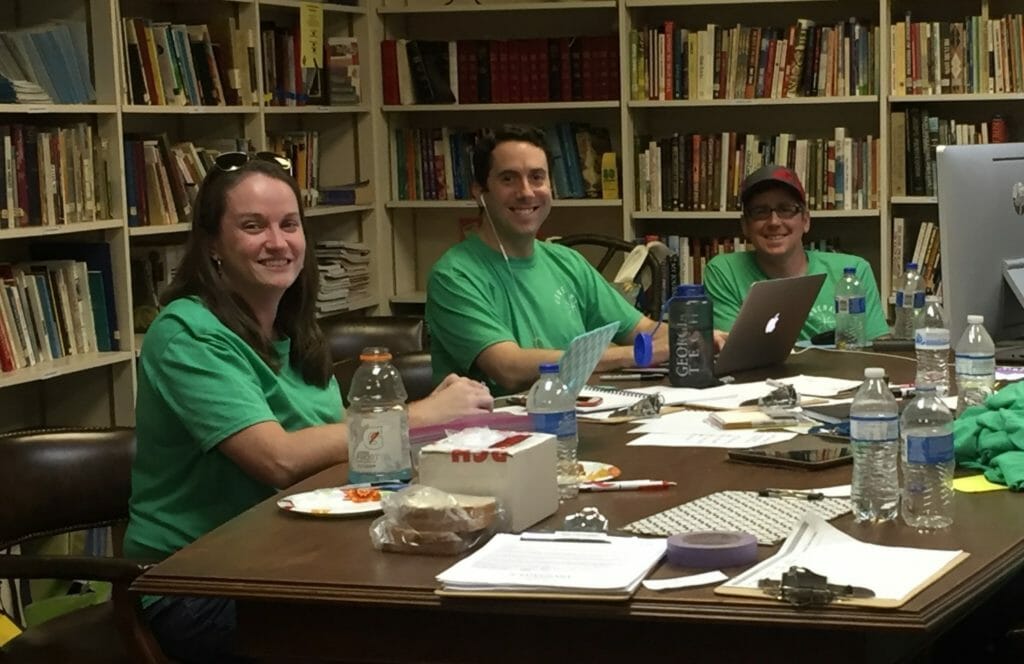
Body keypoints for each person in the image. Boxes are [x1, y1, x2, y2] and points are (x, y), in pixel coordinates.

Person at [123, 153, 492, 663]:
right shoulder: (186, 333)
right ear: (212, 244)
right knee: (410, 637)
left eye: (289, 225)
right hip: (198, 585)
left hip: (296, 561)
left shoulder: (290, 329)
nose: (277, 242)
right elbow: (276, 458)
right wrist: (425, 413)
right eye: (253, 227)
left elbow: (332, 434)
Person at [426, 125, 726, 395]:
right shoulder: (454, 276)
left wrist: (698, 336)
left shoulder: (566, 262)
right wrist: (636, 354)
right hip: (496, 437)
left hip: (580, 417)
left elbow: (641, 329)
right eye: (508, 179)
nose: (526, 192)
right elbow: (509, 369)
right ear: (480, 192)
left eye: (537, 177)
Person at [703, 164, 889, 342]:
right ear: (745, 225)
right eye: (760, 211)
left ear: (806, 220)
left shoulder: (853, 271)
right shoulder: (724, 272)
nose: (774, 222)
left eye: (786, 209)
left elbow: (873, 350)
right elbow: (735, 350)